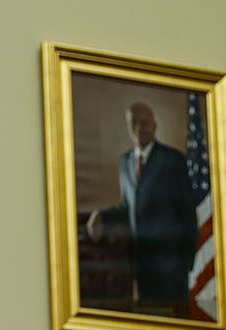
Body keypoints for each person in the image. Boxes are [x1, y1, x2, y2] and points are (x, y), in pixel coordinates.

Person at [84, 101, 196, 310]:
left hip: (170, 265)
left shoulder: (173, 160)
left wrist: (188, 261)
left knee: (175, 327)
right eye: (133, 122)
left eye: (144, 123)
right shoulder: (125, 161)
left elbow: (187, 212)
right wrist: (100, 214)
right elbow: (129, 206)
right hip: (142, 264)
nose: (139, 128)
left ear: (154, 126)